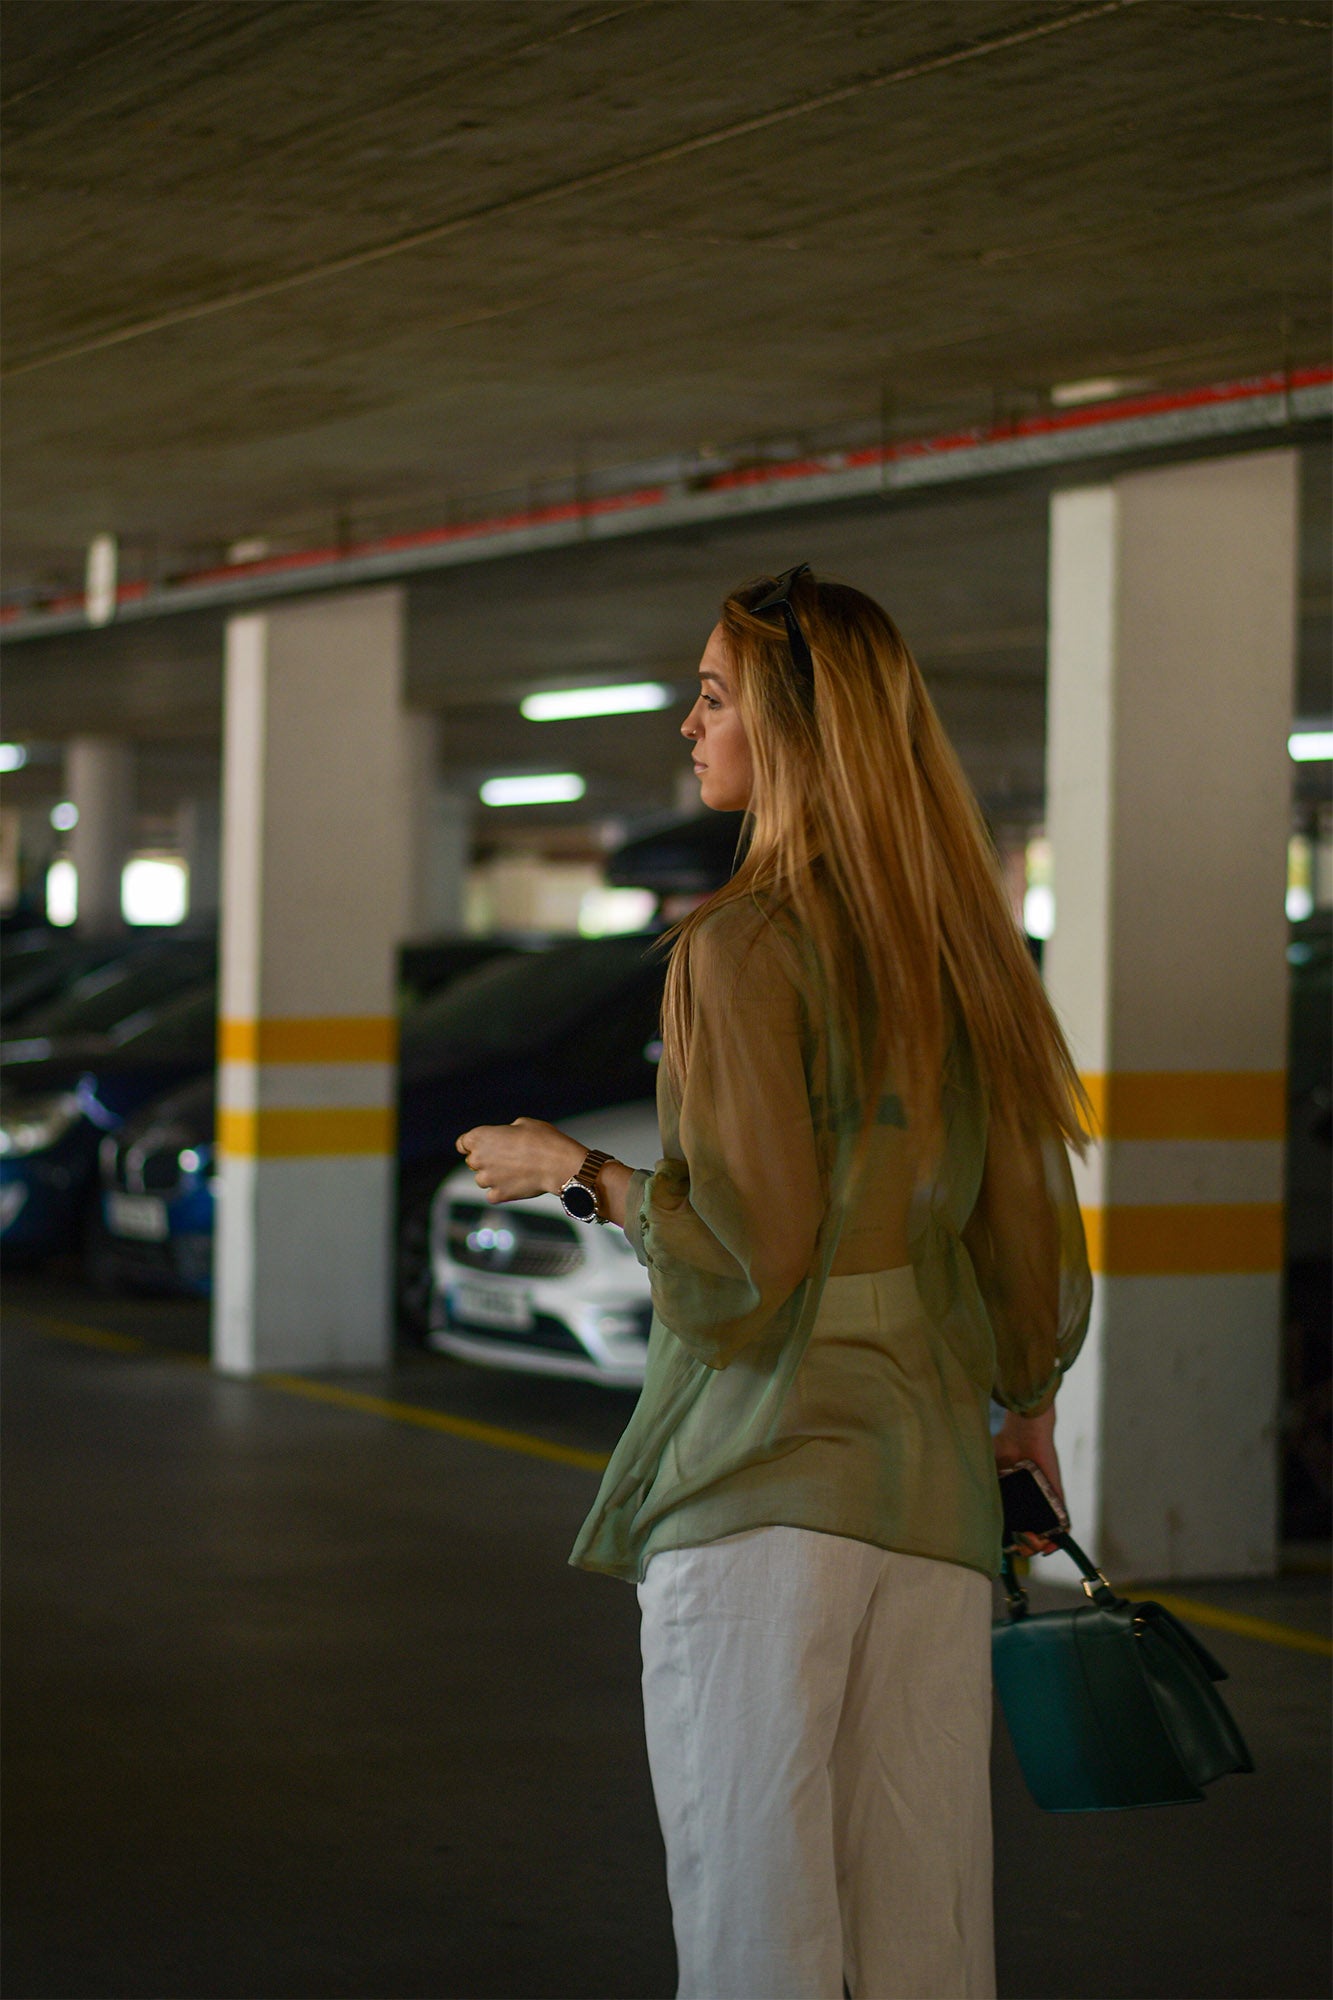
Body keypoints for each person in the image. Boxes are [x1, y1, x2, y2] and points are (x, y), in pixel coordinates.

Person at [455, 565, 1093, 2000]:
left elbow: (744, 1266)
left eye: (712, 696)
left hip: (759, 1489)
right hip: (926, 1489)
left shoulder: (742, 943)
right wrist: (1026, 1411)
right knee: (921, 1928)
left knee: (757, 1926)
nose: (688, 726)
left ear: (791, 730)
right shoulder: (959, 952)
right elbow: (1025, 1230)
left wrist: (580, 1172)